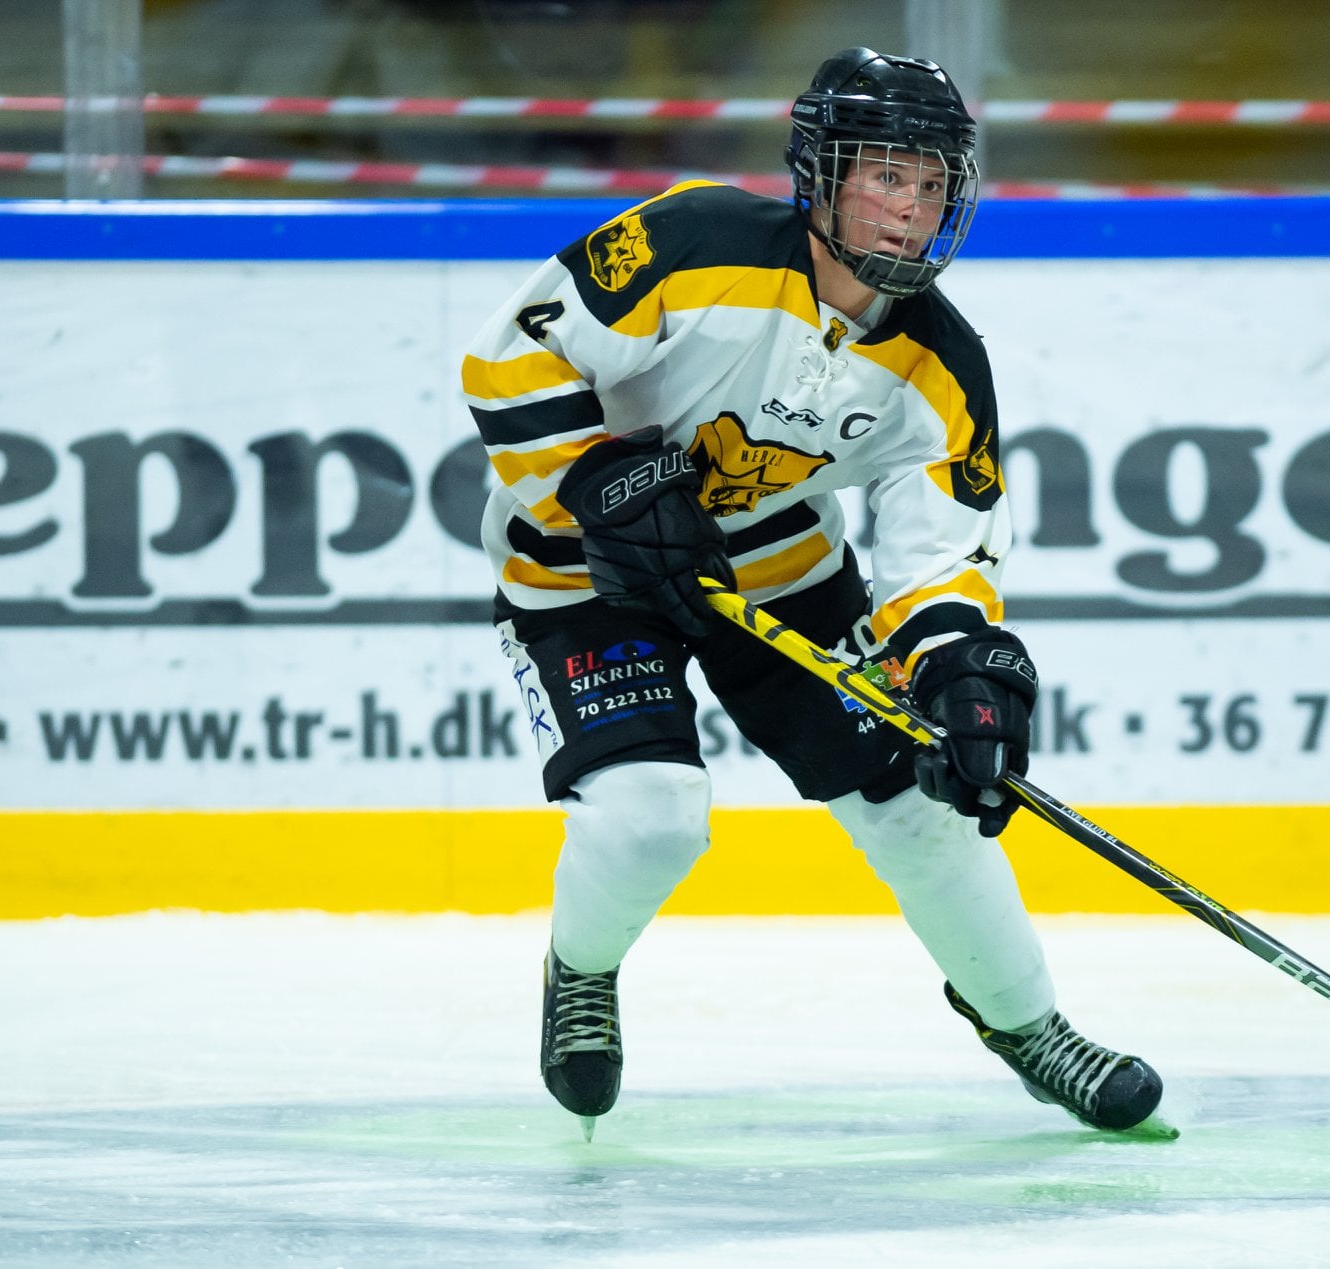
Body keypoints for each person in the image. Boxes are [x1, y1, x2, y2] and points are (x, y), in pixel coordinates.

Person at [459, 46, 1163, 1137]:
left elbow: (940, 555)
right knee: (649, 819)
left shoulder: (940, 361)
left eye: (931, 182)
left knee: (918, 810)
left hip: (779, 573)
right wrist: (601, 483)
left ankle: (1029, 1027)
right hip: (584, 569)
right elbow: (510, 360)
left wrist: (960, 671)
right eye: (886, 175)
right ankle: (581, 972)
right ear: (820, 174)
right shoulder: (694, 240)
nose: (911, 209)